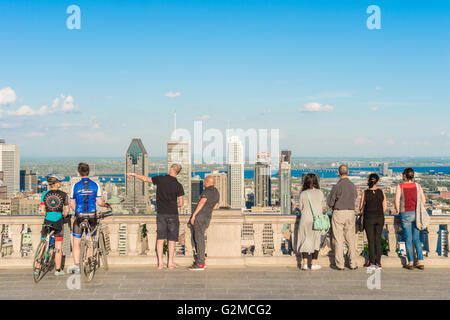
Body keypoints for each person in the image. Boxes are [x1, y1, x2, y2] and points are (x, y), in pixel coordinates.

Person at [127, 163, 184, 269]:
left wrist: (134, 174)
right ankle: (170, 262)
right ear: (178, 172)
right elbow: (181, 203)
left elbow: (145, 179)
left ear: (171, 169)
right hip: (173, 214)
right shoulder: (178, 185)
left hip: (161, 214)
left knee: (160, 238)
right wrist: (172, 204)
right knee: (172, 240)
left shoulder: (161, 179)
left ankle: (160, 263)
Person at [69, 163, 110, 273]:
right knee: (89, 239)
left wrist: (76, 211)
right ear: (89, 172)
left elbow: (71, 203)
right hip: (92, 216)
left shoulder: (75, 186)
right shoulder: (95, 185)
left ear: (79, 172)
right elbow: (100, 202)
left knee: (76, 242)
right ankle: (87, 261)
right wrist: (106, 205)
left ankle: (77, 265)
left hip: (79, 216)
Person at [36, 174, 69, 276]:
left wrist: (48, 214)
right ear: (56, 183)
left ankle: (37, 268)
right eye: (60, 181)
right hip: (58, 222)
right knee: (58, 247)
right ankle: (58, 270)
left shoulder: (44, 194)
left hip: (47, 222)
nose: (61, 183)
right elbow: (66, 211)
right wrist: (62, 215)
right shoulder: (64, 195)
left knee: (43, 242)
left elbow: (42, 211)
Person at [327, 164, 358, 270]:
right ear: (348, 173)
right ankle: (353, 263)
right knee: (351, 239)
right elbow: (355, 197)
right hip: (350, 213)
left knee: (338, 239)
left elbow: (330, 203)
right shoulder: (353, 186)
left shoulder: (336, 186)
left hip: (339, 213)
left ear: (338, 173)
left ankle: (340, 264)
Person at [395, 168, 426, 270]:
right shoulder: (417, 186)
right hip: (416, 213)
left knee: (408, 239)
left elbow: (396, 202)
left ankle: (411, 262)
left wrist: (398, 210)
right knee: (416, 238)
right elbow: (423, 201)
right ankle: (420, 261)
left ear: (404, 176)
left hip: (405, 214)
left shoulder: (400, 186)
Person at [188, 175, 220, 271]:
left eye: (204, 182)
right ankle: (200, 260)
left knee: (199, 239)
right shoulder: (216, 192)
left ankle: (200, 263)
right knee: (200, 238)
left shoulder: (207, 191)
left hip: (200, 217)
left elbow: (202, 202)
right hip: (207, 217)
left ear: (207, 182)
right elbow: (215, 207)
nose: (204, 183)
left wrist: (194, 215)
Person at [297, 173, 326, 271]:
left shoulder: (303, 194)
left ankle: (304, 263)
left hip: (305, 219)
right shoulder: (320, 193)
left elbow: (301, 208)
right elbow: (323, 207)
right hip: (316, 220)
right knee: (316, 240)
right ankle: (314, 264)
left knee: (305, 240)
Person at [359, 173, 387, 270]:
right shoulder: (381, 191)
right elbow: (385, 207)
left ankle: (372, 262)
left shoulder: (365, 192)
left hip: (369, 218)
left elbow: (361, 207)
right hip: (379, 218)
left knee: (371, 240)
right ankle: (378, 262)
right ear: (377, 181)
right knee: (377, 239)